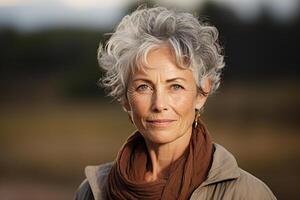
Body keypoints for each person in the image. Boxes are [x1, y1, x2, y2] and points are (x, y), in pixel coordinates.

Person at [74, 5, 277, 200]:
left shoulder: (248, 194)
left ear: (201, 93)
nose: (159, 104)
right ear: (125, 99)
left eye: (175, 86)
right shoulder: (93, 192)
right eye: (144, 87)